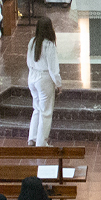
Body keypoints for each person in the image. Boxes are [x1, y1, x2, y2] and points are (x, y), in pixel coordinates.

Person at [26, 17, 63, 148]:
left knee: (36, 108)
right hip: (44, 79)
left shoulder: (32, 41)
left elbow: (28, 62)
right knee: (46, 112)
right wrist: (58, 84)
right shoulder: (49, 45)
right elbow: (53, 69)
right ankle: (41, 143)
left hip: (32, 77)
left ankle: (32, 138)